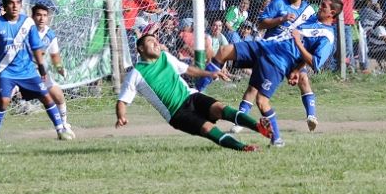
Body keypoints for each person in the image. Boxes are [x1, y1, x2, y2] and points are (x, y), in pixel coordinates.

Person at [195, 0, 343, 147]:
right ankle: (195, 94)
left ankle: (277, 140)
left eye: (324, 6)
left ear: (332, 13)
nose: (320, 7)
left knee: (262, 101)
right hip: (265, 45)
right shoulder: (312, 18)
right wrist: (297, 69)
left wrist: (298, 44)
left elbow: (316, 63)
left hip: (277, 61)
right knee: (223, 51)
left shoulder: (327, 36)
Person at [115, 33, 271, 152]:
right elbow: (122, 101)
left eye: (156, 40)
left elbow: (188, 69)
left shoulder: (165, 57)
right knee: (207, 128)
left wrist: (210, 74)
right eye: (151, 41)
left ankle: (259, 127)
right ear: (141, 49)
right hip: (176, 113)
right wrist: (121, 116)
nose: (156, 43)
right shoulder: (136, 73)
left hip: (192, 96)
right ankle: (243, 148)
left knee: (220, 108)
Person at [210, 0, 321, 134]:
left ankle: (311, 116)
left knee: (303, 79)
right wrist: (281, 19)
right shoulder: (279, 3)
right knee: (254, 86)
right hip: (270, 51)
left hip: (292, 54)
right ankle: (240, 119)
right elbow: (261, 24)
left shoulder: (308, 11)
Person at [0, 0, 72, 141]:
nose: (15, 6)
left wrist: (42, 67)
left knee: (47, 97)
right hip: (6, 71)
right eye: (11, 3)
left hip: (28, 71)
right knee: (3, 100)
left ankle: (61, 130)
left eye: (17, 3)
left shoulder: (28, 23)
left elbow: (36, 47)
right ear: (4, 6)